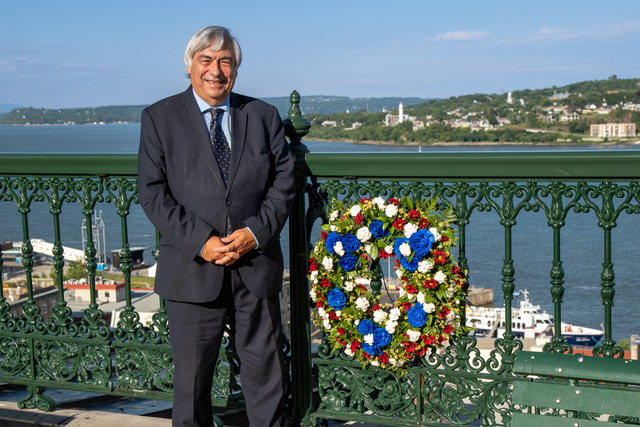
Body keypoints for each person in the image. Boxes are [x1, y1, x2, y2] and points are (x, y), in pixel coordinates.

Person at [137, 26, 295, 427]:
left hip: (255, 266)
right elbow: (153, 193)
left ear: (236, 70)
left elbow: (283, 183)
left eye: (225, 61)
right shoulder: (159, 118)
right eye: (206, 60)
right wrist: (202, 242)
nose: (216, 70)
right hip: (193, 270)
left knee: (266, 375)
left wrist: (255, 233)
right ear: (190, 67)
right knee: (191, 384)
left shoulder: (263, 115)